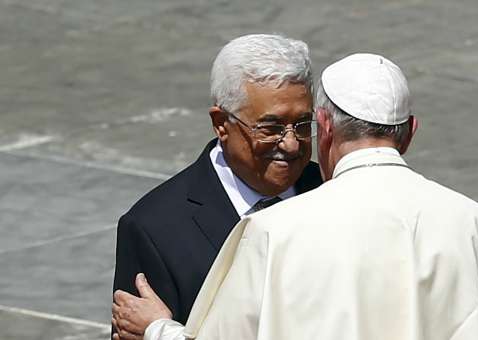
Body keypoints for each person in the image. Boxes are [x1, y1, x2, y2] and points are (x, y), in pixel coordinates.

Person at [113, 53, 478, 340]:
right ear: (410, 132)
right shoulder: (472, 220)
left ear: (325, 128)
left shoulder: (274, 230)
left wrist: (157, 330)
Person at [111, 33, 322, 338]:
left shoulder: (334, 192)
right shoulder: (155, 229)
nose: (290, 144)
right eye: (270, 127)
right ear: (222, 123)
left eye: (302, 125)